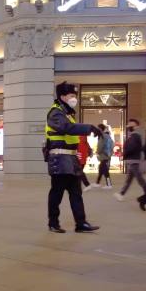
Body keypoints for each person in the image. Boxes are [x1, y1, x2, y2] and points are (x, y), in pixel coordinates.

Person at [45, 82, 102, 233]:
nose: (74, 98)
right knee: (57, 193)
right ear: (62, 97)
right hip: (59, 159)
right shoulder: (55, 113)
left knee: (76, 192)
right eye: (71, 95)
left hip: (71, 160)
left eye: (75, 96)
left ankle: (81, 223)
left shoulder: (67, 114)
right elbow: (67, 129)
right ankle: (53, 223)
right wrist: (89, 127)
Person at [114, 119, 146, 202]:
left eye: (131, 125)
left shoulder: (135, 136)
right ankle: (121, 194)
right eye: (128, 125)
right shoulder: (133, 136)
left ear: (136, 126)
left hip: (133, 160)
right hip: (132, 160)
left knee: (140, 179)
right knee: (129, 179)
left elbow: (131, 148)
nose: (129, 126)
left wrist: (124, 154)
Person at [94, 124, 114, 189]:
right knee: (101, 168)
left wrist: (97, 152)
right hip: (107, 154)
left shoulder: (102, 136)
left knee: (105, 170)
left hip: (103, 155)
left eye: (97, 128)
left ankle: (109, 184)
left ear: (100, 129)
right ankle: (97, 183)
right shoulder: (107, 136)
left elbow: (100, 146)